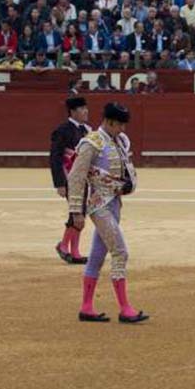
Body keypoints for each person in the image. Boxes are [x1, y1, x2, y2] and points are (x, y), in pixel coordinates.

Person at [67, 102, 147, 324]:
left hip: (115, 203)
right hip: (100, 205)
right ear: (109, 122)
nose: (122, 129)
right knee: (120, 252)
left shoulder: (120, 140)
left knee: (96, 256)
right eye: (119, 124)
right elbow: (76, 177)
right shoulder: (91, 143)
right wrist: (76, 212)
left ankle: (86, 307)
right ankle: (125, 308)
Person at [50, 96, 91, 264]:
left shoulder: (87, 130)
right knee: (77, 211)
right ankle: (69, 249)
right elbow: (55, 157)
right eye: (82, 109)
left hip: (84, 178)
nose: (86, 111)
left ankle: (69, 248)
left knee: (80, 211)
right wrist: (59, 183)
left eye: (86, 108)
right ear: (73, 112)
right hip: (69, 177)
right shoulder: (63, 130)